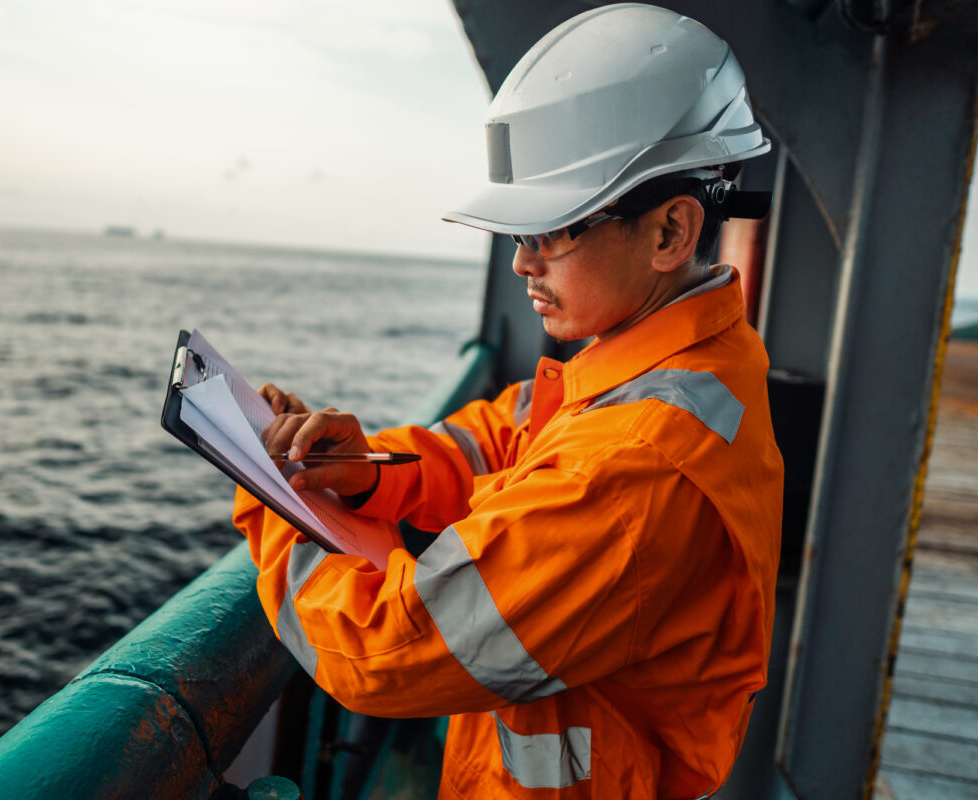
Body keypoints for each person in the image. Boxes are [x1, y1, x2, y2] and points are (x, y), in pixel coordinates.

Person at [233, 4, 783, 798]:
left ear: (670, 231)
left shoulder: (636, 470)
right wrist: (371, 469)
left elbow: (383, 653)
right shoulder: (669, 360)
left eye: (550, 232)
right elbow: (504, 441)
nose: (522, 263)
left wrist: (272, 498)